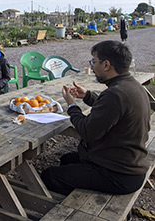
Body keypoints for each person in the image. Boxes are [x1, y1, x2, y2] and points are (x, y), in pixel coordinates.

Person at [41, 40, 150, 195]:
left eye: (94, 62)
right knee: (67, 159)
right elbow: (112, 109)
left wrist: (72, 106)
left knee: (49, 176)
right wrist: (87, 95)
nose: (92, 67)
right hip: (129, 162)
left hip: (119, 173)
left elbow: (87, 131)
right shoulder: (133, 86)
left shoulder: (115, 94)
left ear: (106, 65)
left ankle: (76, 206)